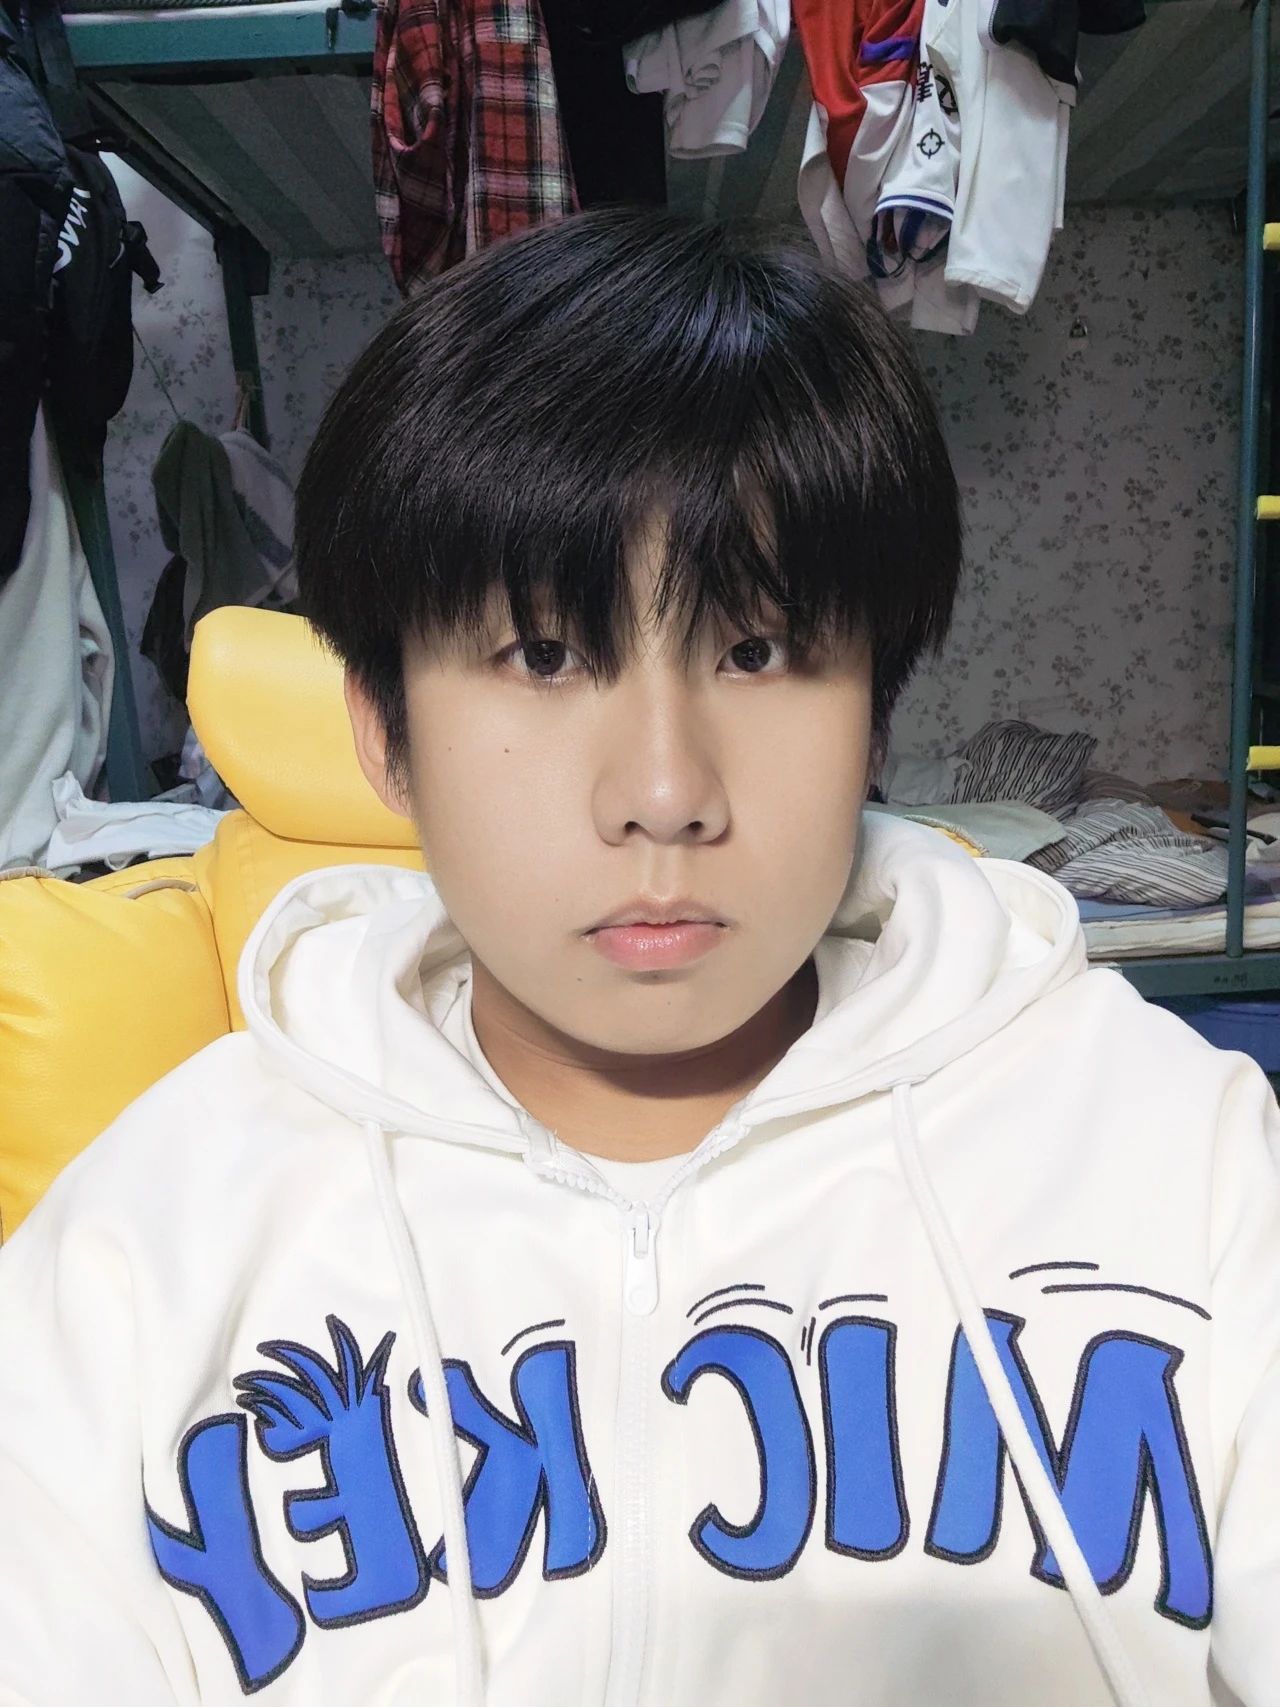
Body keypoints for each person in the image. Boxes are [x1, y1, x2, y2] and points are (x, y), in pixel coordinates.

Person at [0, 207, 1276, 1707]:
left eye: (757, 652)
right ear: (383, 730)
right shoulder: (142, 1253)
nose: (665, 791)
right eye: (545, 655)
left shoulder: (1178, 1162)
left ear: (876, 712)